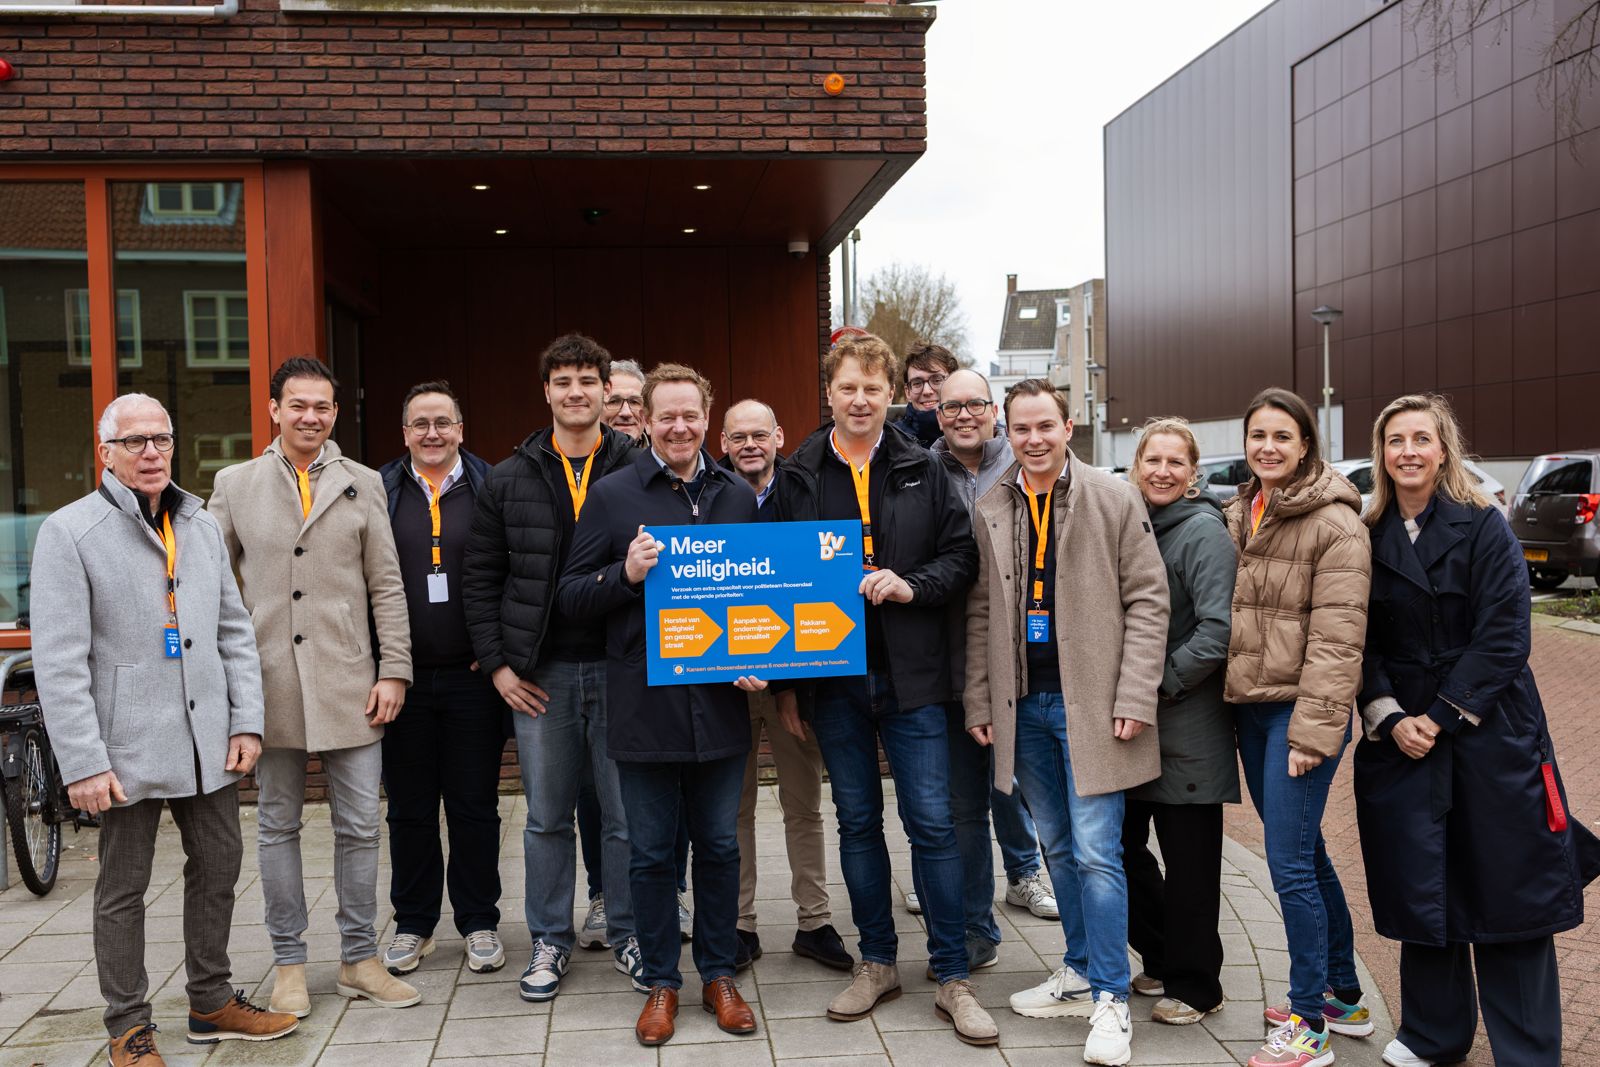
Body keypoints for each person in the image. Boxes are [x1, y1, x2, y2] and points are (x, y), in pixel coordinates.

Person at [31, 394, 299, 1067]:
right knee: (124, 886)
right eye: (134, 441)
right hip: (122, 748)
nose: (151, 452)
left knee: (220, 864)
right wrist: (83, 761)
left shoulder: (199, 524)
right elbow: (59, 662)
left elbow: (234, 630)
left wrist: (246, 720)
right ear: (106, 452)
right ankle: (128, 1025)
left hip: (207, 740)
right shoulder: (71, 532)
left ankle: (210, 1001)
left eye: (161, 438)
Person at [1355, 394, 1600, 1067]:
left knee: (1507, 886)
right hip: (1399, 734)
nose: (1408, 451)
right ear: (1381, 453)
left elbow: (1506, 635)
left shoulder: (1485, 524)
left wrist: (1438, 717)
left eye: (1421, 439)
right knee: (1420, 880)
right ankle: (1433, 1035)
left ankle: (1526, 1050)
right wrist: (1388, 715)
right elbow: (1355, 638)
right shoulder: (1366, 533)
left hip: (1490, 728)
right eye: (1395, 440)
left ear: (1444, 450)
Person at [766, 333, 996, 1047]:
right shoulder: (798, 474)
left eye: (873, 387)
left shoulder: (924, 467)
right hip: (834, 680)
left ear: (891, 393)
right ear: (828, 393)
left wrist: (911, 585)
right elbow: (774, 582)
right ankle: (877, 963)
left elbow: (961, 557)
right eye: (848, 387)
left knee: (932, 823)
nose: (860, 399)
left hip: (915, 677)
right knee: (858, 822)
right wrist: (786, 687)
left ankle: (952, 974)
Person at [964, 379, 1169, 1067]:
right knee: (1055, 845)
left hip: (1095, 706)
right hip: (1024, 706)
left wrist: (1135, 694)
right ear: (1006, 431)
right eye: (1021, 428)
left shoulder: (1113, 497)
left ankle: (1112, 996)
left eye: (1045, 425)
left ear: (1068, 426)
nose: (1033, 439)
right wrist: (981, 700)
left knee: (1096, 852)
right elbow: (981, 612)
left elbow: (1149, 600)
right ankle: (1080, 969)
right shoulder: (993, 505)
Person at [556, 363, 760, 1048]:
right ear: (644, 419)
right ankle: (662, 982)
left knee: (721, 846)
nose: (679, 427)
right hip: (644, 706)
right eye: (665, 415)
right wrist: (626, 573)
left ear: (707, 418)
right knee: (648, 856)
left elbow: (760, 594)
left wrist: (764, 657)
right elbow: (571, 595)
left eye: (690, 415)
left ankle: (719, 974)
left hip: (720, 707)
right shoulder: (613, 496)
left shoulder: (736, 496)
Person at [209, 357, 418, 1015]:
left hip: (352, 682)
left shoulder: (363, 482)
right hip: (268, 684)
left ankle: (359, 958)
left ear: (335, 412)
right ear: (274, 408)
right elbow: (213, 591)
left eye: (322, 406)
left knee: (361, 825)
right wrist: (229, 688)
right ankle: (290, 965)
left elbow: (387, 583)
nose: (310, 416)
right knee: (276, 825)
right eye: (298, 404)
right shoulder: (235, 485)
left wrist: (394, 669)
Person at [461, 334, 642, 1001]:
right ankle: (549, 939)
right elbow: (481, 578)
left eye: (587, 380)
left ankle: (628, 932)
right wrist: (499, 667)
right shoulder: (510, 477)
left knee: (625, 816)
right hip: (543, 676)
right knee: (545, 817)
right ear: (546, 392)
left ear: (606, 390)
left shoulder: (639, 466)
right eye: (562, 381)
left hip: (624, 668)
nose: (575, 392)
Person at [1222, 387, 1371, 1067]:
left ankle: (1308, 1025)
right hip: (1252, 707)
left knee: (1286, 865)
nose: (1269, 447)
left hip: (1299, 712)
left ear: (1306, 443)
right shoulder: (1243, 510)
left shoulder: (1335, 522)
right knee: (1305, 852)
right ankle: (1343, 995)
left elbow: (1339, 640)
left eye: (1283, 435)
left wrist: (1313, 731)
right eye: (1258, 435)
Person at [718, 399, 853, 972]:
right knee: (733, 809)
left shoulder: (808, 492)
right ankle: (739, 925)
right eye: (738, 437)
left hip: (793, 683)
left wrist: (790, 684)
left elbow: (817, 587)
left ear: (778, 437)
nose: (749, 445)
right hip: (723, 680)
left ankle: (814, 922)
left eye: (759, 435)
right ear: (723, 443)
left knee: (803, 803)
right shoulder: (707, 496)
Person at [376, 381, 505, 977]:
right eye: (420, 424)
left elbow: (514, 571)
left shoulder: (491, 486)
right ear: (405, 433)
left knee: (475, 806)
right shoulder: (376, 490)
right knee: (409, 809)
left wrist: (496, 649)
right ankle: (414, 923)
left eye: (443, 422)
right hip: (400, 680)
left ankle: (479, 921)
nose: (432, 433)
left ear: (460, 430)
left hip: (472, 677)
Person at [928, 368, 1056, 969]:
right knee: (963, 806)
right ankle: (976, 927)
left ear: (993, 411)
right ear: (937, 414)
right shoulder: (921, 471)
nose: (964, 415)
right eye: (952, 406)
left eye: (975, 404)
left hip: (1026, 662)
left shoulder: (1024, 463)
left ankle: (1033, 881)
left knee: (1033, 796)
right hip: (952, 657)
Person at [1121, 417, 1238, 1025]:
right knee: (1120, 846)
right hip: (1135, 725)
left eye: (1176, 462)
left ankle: (1197, 986)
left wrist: (1153, 683)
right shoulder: (1135, 524)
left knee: (1190, 862)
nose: (1163, 471)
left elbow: (1218, 630)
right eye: (1153, 460)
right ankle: (1164, 955)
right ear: (1136, 466)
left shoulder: (1201, 532)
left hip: (1186, 723)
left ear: (1193, 474)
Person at [574, 355, 650, 951]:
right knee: (594, 793)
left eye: (634, 402)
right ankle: (603, 893)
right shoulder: (591, 474)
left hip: (654, 656)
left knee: (652, 788)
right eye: (615, 400)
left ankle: (665, 891)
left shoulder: (670, 472)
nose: (624, 411)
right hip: (583, 650)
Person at [893, 340, 958, 448]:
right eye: (917, 383)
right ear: (907, 392)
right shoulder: (890, 441)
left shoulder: (976, 434)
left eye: (937, 380)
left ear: (955, 383)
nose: (927, 391)